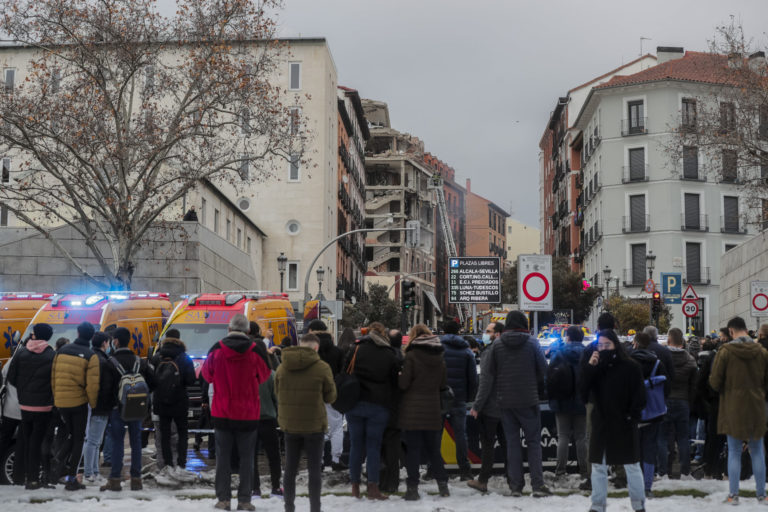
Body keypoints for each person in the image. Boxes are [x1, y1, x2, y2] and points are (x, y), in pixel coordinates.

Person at [473, 311, 550, 497]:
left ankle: (516, 486)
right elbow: (544, 369)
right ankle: (538, 485)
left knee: (513, 444)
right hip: (529, 399)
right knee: (533, 443)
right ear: (524, 323)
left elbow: (489, 372)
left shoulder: (497, 345)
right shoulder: (532, 343)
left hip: (505, 401)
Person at [202, 314, 270, 511]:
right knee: (247, 458)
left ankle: (223, 499)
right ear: (248, 331)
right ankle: (244, 500)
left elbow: (207, 374)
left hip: (222, 412)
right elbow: (265, 375)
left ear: (229, 329)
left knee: (222, 458)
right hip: (248, 413)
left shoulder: (216, 350)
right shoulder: (255, 350)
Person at [583, 329, 646, 512]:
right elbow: (583, 393)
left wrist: (631, 415)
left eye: (607, 345)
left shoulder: (630, 366)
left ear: (615, 345)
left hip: (624, 422)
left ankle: (638, 504)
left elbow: (639, 396)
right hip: (602, 422)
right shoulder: (596, 367)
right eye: (600, 345)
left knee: (632, 465)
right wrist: (590, 368)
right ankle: (597, 505)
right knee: (598, 466)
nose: (603, 349)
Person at [709, 316, 768, 505]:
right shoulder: (761, 352)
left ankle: (733, 495)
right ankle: (761, 494)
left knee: (734, 451)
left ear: (731, 331)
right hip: (757, 406)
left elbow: (715, 381)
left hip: (733, 406)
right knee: (757, 450)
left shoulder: (725, 352)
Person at [275, 333, 336, 512]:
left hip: (290, 425)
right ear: (316, 348)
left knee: (290, 469)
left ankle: (289, 507)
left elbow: (277, 393)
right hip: (314, 425)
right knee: (314, 469)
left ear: (300, 345)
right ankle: (315, 508)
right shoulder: (322, 368)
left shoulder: (282, 367)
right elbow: (330, 396)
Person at [345, 321, 400, 500]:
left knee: (356, 445)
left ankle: (354, 486)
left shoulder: (356, 348)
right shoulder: (388, 353)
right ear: (383, 334)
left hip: (355, 402)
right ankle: (373, 487)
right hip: (378, 404)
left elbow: (344, 370)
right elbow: (395, 381)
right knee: (373, 447)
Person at [399, 324, 449, 500]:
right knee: (434, 450)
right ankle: (443, 485)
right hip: (433, 409)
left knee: (413, 450)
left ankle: (412, 488)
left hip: (413, 410)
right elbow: (443, 385)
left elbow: (404, 383)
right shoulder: (440, 358)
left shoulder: (411, 356)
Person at [101, 327, 153, 492]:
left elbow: (105, 388)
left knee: (117, 442)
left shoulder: (110, 363)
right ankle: (136, 479)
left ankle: (115, 479)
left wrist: (109, 404)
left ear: (115, 341)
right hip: (136, 408)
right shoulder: (139, 361)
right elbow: (154, 381)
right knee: (136, 442)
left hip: (117, 408)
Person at [51, 321, 100, 491]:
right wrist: (92, 405)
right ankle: (72, 477)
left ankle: (57, 461)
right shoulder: (90, 355)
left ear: (78, 333)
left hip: (61, 402)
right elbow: (92, 386)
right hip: (79, 403)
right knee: (79, 438)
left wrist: (56, 398)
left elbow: (53, 376)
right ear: (91, 336)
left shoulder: (61, 351)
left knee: (71, 435)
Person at [6, 323, 55, 489]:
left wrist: (23, 391)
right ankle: (33, 478)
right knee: (38, 442)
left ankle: (23, 476)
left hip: (25, 406)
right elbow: (55, 382)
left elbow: (11, 378)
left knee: (26, 441)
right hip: (44, 408)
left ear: (35, 335)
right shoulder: (52, 355)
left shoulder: (21, 353)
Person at [150, 329, 196, 478]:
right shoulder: (184, 358)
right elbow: (191, 380)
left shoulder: (157, 357)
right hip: (180, 401)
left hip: (161, 402)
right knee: (183, 434)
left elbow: (151, 381)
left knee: (164, 434)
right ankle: (181, 464)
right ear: (179, 339)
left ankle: (168, 464)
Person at [629, 332, 670, 498]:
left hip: (634, 411)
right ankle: (647, 486)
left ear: (636, 343)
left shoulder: (629, 362)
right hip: (654, 411)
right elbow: (667, 387)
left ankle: (635, 484)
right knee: (649, 448)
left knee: (634, 449)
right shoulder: (657, 363)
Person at [548, 325, 588, 486]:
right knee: (581, 437)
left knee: (563, 436)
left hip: (561, 401)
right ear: (582, 338)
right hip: (582, 401)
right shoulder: (588, 353)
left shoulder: (559, 353)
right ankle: (585, 470)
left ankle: (560, 471)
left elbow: (549, 377)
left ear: (568, 337)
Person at [439, 319, 478, 481]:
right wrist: (468, 397)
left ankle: (432, 467)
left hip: (439, 397)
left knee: (436, 434)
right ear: (458, 332)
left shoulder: (438, 349)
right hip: (459, 399)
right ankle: (464, 470)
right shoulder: (466, 351)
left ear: (443, 332)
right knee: (461, 435)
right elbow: (473, 379)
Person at [307, 320, 345, 471]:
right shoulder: (337, 351)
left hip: (313, 392)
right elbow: (342, 372)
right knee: (336, 427)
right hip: (332, 392)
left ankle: (319, 460)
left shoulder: (310, 351)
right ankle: (336, 459)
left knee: (317, 428)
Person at [660, 327, 697, 480]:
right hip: (683, 401)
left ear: (668, 340)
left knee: (664, 437)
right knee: (683, 437)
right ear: (682, 341)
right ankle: (685, 471)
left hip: (666, 400)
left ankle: (663, 471)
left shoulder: (662, 358)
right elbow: (694, 385)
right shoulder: (690, 360)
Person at [82, 332, 119, 485]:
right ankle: (89, 473)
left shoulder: (90, 357)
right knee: (93, 441)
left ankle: (94, 472)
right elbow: (105, 387)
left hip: (91, 404)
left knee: (95, 440)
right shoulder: (103, 361)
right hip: (99, 405)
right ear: (105, 343)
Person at [253, 363, 281, 497]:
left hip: (249, 419)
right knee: (273, 456)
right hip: (268, 420)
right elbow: (277, 398)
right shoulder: (271, 374)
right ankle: (275, 487)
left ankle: (254, 488)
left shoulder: (245, 373)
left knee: (250, 457)